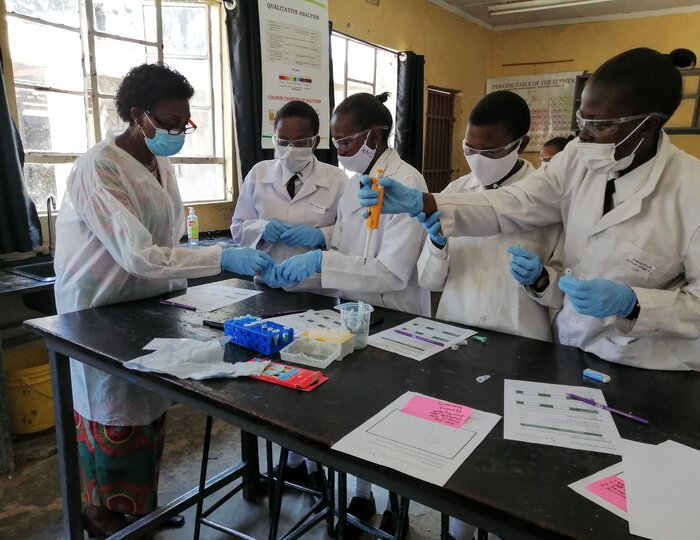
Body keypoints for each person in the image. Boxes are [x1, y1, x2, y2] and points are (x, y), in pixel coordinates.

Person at [359, 47, 700, 373]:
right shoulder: (577, 158)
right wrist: (427, 202)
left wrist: (634, 304)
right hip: (573, 348)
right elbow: (515, 202)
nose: (585, 136)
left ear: (650, 123)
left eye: (601, 125)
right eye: (583, 121)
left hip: (653, 366)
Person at [53, 63, 274, 537]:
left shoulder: (161, 162)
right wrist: (223, 258)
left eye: (185, 123)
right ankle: (101, 515)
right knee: (110, 413)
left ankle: (138, 510)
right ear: (139, 115)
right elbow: (137, 254)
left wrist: (198, 274)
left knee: (149, 407)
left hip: (147, 304)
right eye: (171, 122)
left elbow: (166, 239)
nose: (179, 132)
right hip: (99, 308)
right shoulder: (99, 168)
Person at [275, 92, 430, 538]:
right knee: (350, 413)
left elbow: (392, 273)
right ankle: (360, 495)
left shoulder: (408, 185)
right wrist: (316, 237)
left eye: (344, 143)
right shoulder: (355, 180)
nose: (338, 152)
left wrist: (322, 265)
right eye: (337, 143)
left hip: (394, 319)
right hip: (350, 311)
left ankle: (396, 506)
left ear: (374, 137)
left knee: (386, 418)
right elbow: (346, 235)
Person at [417, 91, 563, 347]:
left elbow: (564, 295)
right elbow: (429, 281)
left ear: (521, 143)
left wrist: (541, 279)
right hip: (454, 334)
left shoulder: (547, 201)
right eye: (470, 149)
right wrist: (437, 245)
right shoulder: (454, 194)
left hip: (520, 342)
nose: (478, 159)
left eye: (491, 152)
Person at [230, 100, 347, 287]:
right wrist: (261, 229)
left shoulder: (338, 180)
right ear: (275, 140)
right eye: (283, 142)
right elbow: (238, 228)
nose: (290, 149)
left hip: (318, 288)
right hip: (266, 281)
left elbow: (349, 232)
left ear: (315, 141)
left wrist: (321, 235)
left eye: (300, 142)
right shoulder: (258, 174)